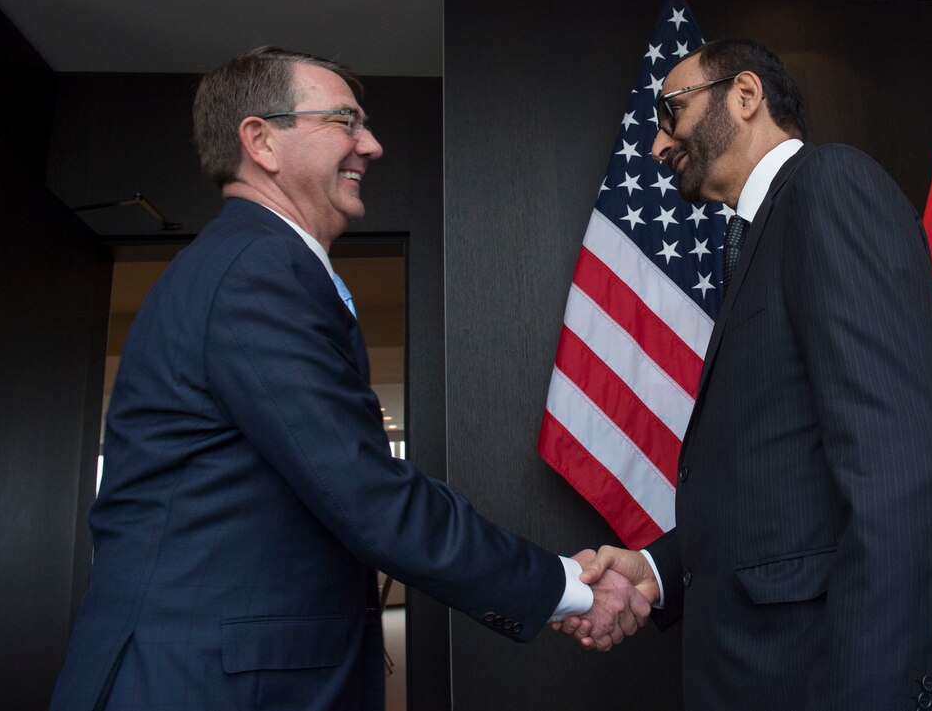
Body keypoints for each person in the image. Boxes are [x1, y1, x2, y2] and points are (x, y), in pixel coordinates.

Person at [50, 46, 647, 710]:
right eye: (345, 121)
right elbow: (364, 492)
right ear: (261, 141)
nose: (371, 144)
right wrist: (567, 587)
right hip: (197, 684)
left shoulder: (252, 263)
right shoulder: (256, 269)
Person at [563, 40, 932, 710]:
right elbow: (781, 486)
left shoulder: (830, 185)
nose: (659, 144)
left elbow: (904, 465)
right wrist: (656, 571)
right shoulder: (755, 240)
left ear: (745, 95)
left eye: (671, 112)